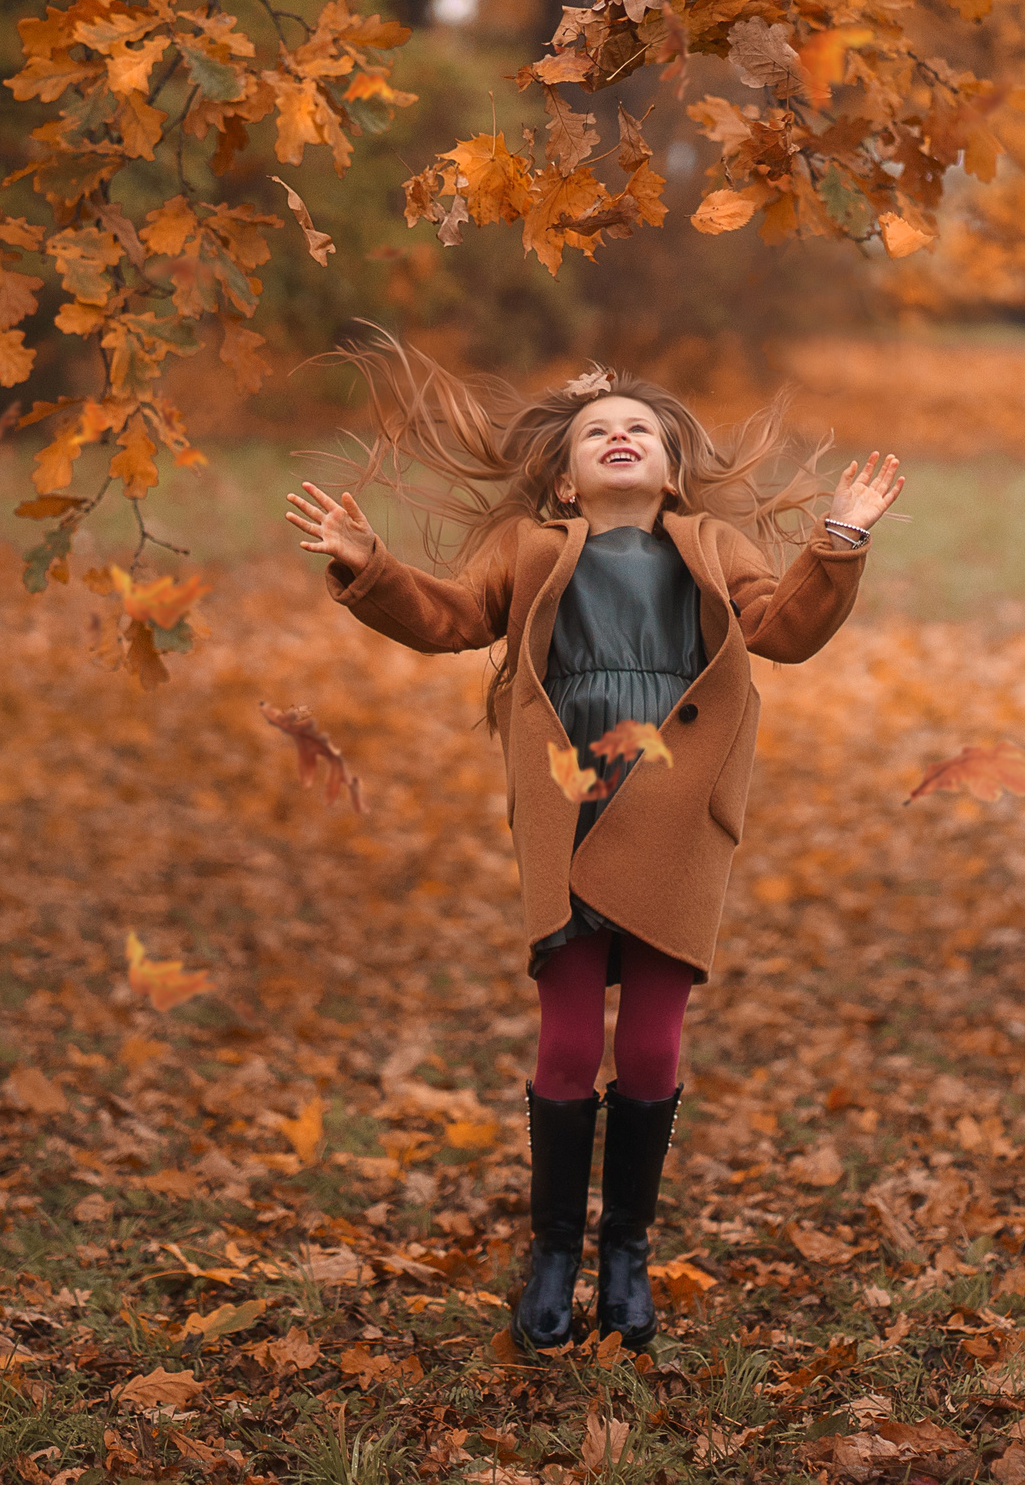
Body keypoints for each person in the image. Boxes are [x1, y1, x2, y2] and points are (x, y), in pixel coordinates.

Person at [284, 339, 904, 1354]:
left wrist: (839, 539)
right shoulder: (529, 549)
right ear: (565, 480)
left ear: (671, 467)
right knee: (569, 1038)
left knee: (653, 1043)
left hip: (678, 807)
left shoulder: (712, 546)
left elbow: (783, 630)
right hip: (567, 800)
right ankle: (554, 1254)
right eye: (596, 433)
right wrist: (372, 566)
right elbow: (451, 617)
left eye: (639, 429)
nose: (620, 437)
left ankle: (626, 1253)